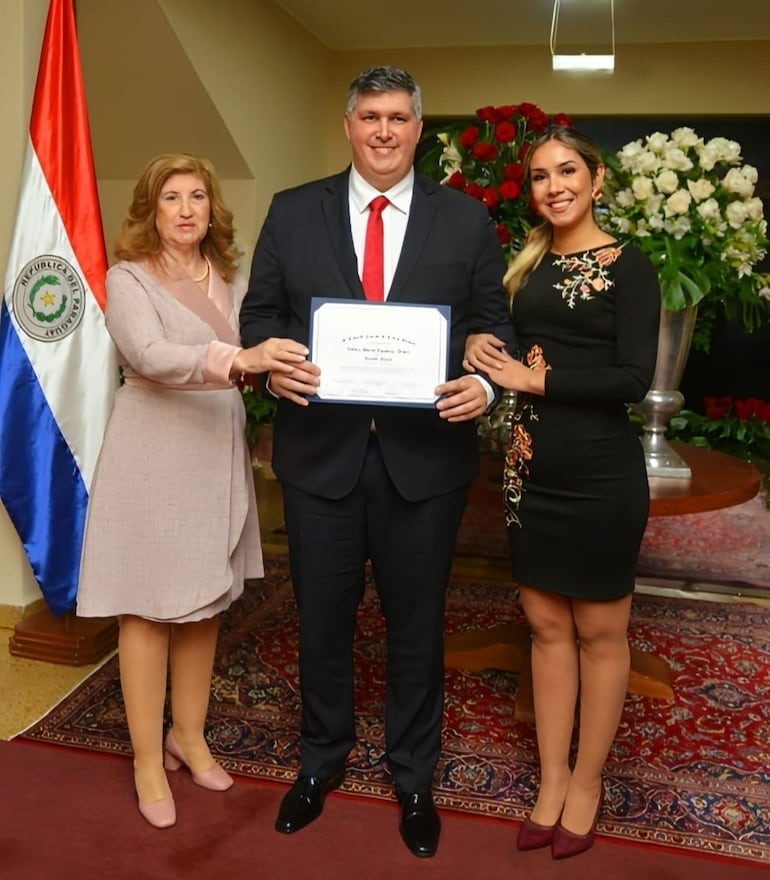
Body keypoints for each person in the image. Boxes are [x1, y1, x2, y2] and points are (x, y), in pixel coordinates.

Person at [239, 66, 514, 858]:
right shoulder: (294, 213)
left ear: (419, 129)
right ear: (349, 125)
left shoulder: (466, 222)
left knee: (416, 626)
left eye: (398, 117)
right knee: (321, 623)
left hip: (425, 464)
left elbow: (489, 327)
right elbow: (261, 315)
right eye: (369, 116)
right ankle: (320, 764)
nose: (384, 131)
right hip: (319, 457)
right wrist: (272, 359)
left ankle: (414, 776)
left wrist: (483, 387)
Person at [76, 153, 308, 829]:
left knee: (205, 603)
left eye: (197, 196)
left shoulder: (234, 280)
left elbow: (266, 349)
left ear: (212, 209)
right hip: (152, 450)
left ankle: (190, 735)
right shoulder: (128, 279)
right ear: (151, 209)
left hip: (215, 444)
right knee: (148, 610)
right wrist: (237, 360)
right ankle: (148, 760)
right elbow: (148, 356)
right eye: (171, 197)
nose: (185, 209)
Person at [465, 126, 660, 859]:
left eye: (567, 170)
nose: (554, 186)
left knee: (601, 634)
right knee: (546, 628)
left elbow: (632, 380)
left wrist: (532, 379)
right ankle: (549, 779)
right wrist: (481, 352)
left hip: (602, 472)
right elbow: (506, 353)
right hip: (529, 470)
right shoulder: (527, 267)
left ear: (596, 178)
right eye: (541, 176)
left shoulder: (630, 266)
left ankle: (587, 782)